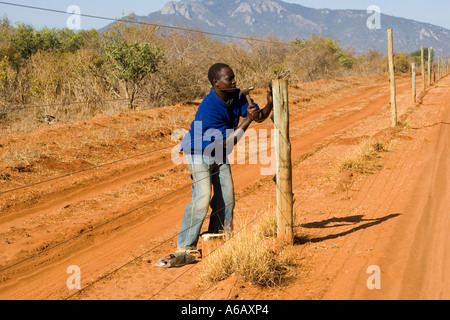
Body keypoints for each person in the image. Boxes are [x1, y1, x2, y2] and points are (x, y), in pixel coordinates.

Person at [176, 63, 274, 257]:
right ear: (216, 83)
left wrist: (269, 103)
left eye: (234, 77)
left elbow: (258, 116)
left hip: (218, 151)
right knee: (202, 197)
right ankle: (185, 246)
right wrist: (247, 121)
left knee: (226, 198)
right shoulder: (208, 109)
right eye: (229, 79)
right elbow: (225, 145)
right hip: (199, 151)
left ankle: (218, 240)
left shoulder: (236, 95)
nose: (234, 81)